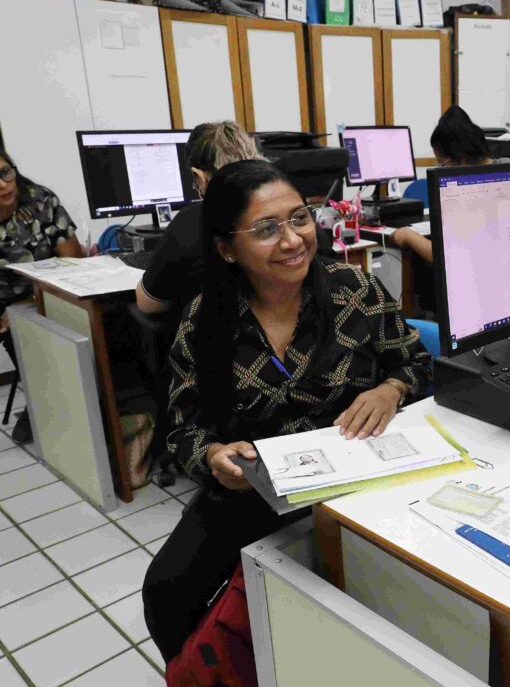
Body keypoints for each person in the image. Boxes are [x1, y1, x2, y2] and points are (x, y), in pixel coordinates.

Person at [142, 160, 431, 662]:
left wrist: (390, 388)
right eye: (266, 229)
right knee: (167, 592)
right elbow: (181, 428)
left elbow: (415, 359)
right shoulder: (205, 319)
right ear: (227, 247)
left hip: (357, 478)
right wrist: (212, 456)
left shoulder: (353, 290)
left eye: (299, 218)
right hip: (256, 493)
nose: (294, 239)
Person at [135, 121, 267, 319]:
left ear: (201, 176)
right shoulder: (292, 211)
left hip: (221, 344)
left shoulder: (190, 222)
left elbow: (149, 304)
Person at [0, 148, 84, 442]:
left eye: (5, 172)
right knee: (21, 336)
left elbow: (74, 262)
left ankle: (59, 405)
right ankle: (45, 405)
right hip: (6, 309)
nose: (2, 184)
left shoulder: (39, 200)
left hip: (50, 292)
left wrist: (33, 301)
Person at [391, 106, 494, 265]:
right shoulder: (504, 170)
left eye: (442, 163)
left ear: (461, 159)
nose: (440, 170)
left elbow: (447, 257)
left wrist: (407, 236)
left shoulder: (478, 191)